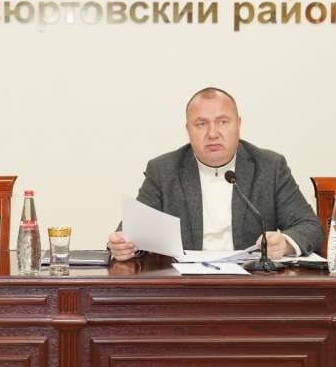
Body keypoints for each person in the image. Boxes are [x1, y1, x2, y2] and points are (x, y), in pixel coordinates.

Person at [108, 87, 324, 262]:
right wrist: (122, 244)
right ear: (188, 130)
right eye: (201, 124)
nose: (212, 134)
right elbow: (132, 232)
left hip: (251, 284)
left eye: (222, 122)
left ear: (238, 124)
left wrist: (286, 243)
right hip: (185, 287)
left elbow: (311, 227)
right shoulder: (164, 170)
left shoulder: (270, 166)